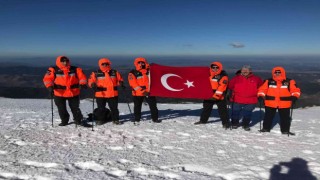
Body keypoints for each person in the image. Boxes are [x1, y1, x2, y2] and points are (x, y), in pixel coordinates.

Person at [43, 56, 89, 127]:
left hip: (73, 92)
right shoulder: (53, 69)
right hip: (59, 93)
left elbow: (82, 77)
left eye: (66, 61)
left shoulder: (76, 69)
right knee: (61, 108)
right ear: (59, 61)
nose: (65, 63)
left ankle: (78, 120)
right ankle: (64, 121)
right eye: (63, 61)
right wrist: (49, 86)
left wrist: (83, 84)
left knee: (75, 107)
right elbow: (47, 79)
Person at [258, 66, 301, 135]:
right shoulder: (268, 81)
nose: (277, 74)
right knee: (268, 117)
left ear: (283, 73)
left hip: (284, 103)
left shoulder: (289, 81)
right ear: (273, 73)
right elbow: (262, 90)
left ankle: (285, 130)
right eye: (276, 72)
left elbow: (295, 90)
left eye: (279, 72)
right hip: (270, 103)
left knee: (285, 118)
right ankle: (265, 129)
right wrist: (260, 95)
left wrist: (295, 96)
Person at [88, 58, 124, 125]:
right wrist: (92, 85)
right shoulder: (95, 73)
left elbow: (120, 79)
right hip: (101, 94)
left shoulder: (114, 72)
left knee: (114, 108)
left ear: (109, 64)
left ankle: (115, 120)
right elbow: (90, 81)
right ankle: (100, 120)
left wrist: (121, 82)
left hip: (113, 93)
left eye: (106, 64)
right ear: (100, 64)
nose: (105, 65)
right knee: (101, 108)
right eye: (103, 64)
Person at [195, 62, 230, 129]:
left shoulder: (223, 76)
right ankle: (203, 120)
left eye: (217, 67)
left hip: (219, 96)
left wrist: (216, 96)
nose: (215, 69)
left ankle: (225, 123)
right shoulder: (207, 74)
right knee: (206, 109)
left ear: (220, 68)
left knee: (222, 110)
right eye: (213, 67)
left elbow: (222, 87)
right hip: (208, 94)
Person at [227, 65, 263, 131]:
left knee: (247, 114)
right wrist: (229, 95)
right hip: (237, 99)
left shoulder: (256, 79)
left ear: (250, 71)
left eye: (247, 70)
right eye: (243, 70)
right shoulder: (236, 78)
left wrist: (260, 95)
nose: (245, 71)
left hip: (251, 100)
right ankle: (235, 123)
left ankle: (245, 124)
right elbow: (230, 86)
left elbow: (261, 87)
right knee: (235, 112)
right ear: (241, 71)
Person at [128, 57, 161, 123]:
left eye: (142, 62)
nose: (141, 64)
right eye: (139, 62)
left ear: (145, 62)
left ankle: (155, 118)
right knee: (137, 106)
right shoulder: (132, 73)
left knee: (153, 106)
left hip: (149, 92)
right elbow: (134, 85)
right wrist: (143, 92)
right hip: (137, 93)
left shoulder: (149, 71)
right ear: (136, 63)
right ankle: (137, 119)